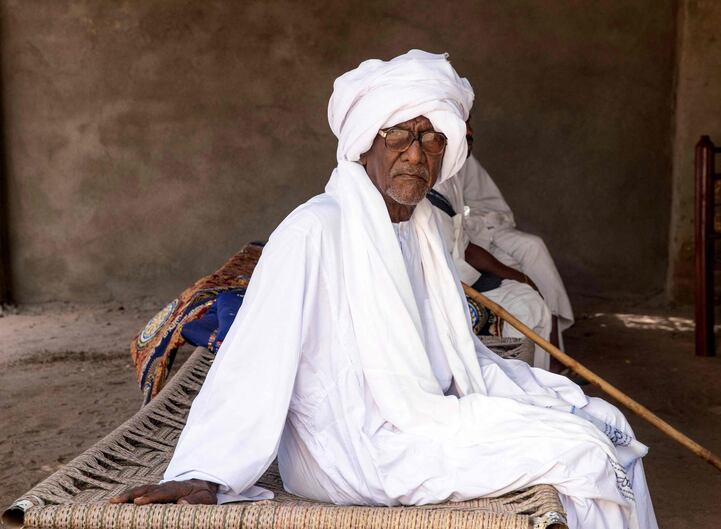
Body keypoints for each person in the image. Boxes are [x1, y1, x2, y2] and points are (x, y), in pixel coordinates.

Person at [111, 50, 658, 529]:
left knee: (602, 423)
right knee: (583, 456)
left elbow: (445, 351)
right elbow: (255, 359)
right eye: (398, 135)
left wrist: (530, 395)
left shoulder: (416, 229)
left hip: (415, 420)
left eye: (430, 138)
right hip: (349, 449)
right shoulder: (314, 229)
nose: (416, 155)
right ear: (363, 143)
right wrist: (205, 475)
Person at [450, 124, 575, 348]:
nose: (467, 139)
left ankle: (554, 339)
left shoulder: (464, 159)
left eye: (470, 135)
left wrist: (477, 225)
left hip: (486, 230)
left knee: (533, 246)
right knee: (524, 292)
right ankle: (549, 347)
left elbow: (489, 206)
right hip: (464, 247)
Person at [428, 150, 554, 369]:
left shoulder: (451, 174)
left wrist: (520, 278)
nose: (464, 142)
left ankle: (539, 381)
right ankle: (515, 385)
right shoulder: (422, 188)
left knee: (529, 299)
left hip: (461, 274)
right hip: (439, 289)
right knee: (524, 306)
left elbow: (465, 247)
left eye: (469, 137)